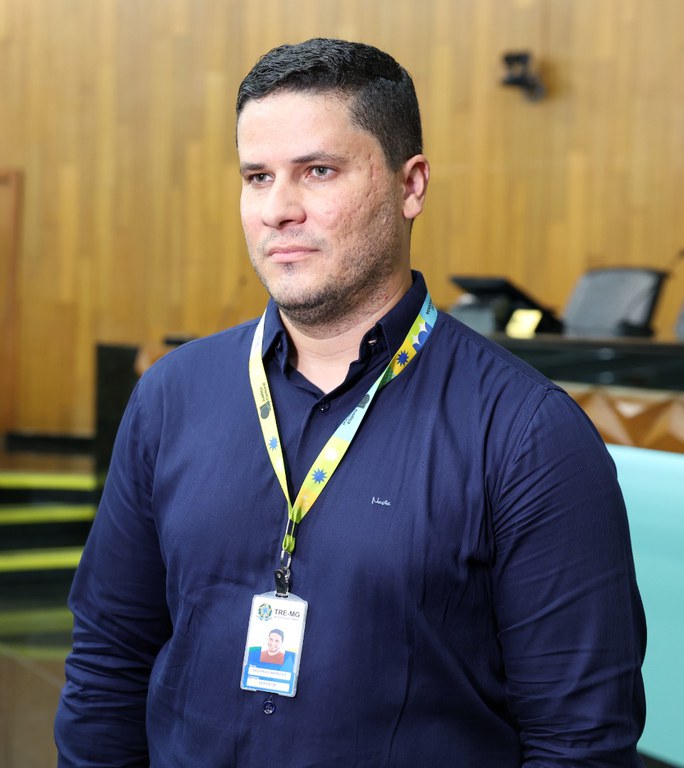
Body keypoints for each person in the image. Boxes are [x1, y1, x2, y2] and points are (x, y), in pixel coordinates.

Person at [55, 38, 646, 767]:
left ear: (411, 185)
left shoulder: (529, 435)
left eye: (318, 171)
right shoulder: (171, 397)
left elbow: (579, 742)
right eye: (257, 176)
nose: (278, 209)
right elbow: (109, 659)